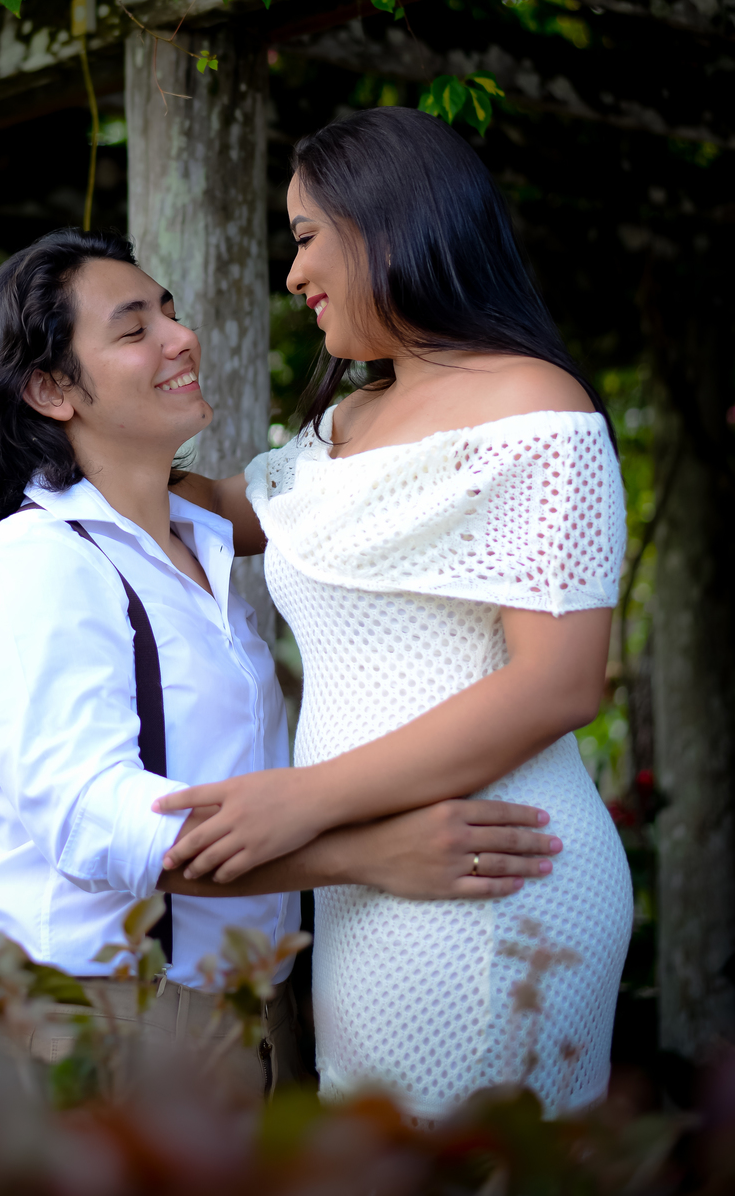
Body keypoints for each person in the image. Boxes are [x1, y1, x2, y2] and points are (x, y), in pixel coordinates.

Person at [0, 225, 563, 1097]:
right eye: (133, 328)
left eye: (170, 312)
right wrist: (363, 854)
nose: (179, 336)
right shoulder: (36, 564)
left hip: (227, 1020)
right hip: (86, 1017)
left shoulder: (196, 549)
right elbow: (98, 823)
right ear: (49, 387)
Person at [155, 107, 633, 1120]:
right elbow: (233, 511)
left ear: (389, 221)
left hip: (492, 866)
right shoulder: (348, 419)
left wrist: (306, 798)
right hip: (372, 875)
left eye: (305, 235)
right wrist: (40, 486)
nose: (294, 274)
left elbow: (561, 680)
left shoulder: (536, 406)